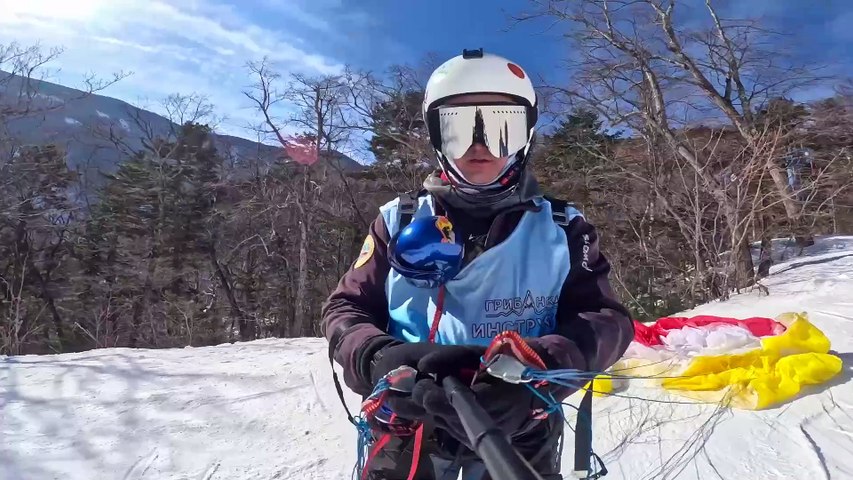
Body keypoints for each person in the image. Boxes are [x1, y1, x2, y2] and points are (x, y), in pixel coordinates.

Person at [321, 48, 634, 480]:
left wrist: (542, 371)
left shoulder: (563, 227)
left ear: (526, 136)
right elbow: (346, 308)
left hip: (522, 420)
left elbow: (605, 320)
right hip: (409, 421)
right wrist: (377, 358)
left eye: (501, 127)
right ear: (435, 136)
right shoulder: (397, 219)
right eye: (459, 128)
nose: (481, 145)